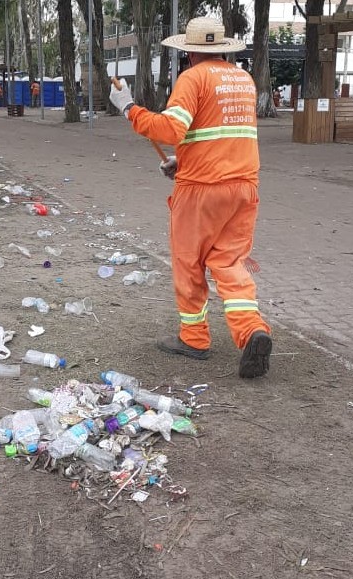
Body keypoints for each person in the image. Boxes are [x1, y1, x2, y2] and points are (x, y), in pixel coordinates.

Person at [108, 17, 272, 379]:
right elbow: (221, 136)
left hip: (201, 190)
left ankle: (194, 338)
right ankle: (252, 330)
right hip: (243, 187)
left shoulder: (193, 78)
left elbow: (171, 129)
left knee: (189, 262)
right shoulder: (243, 80)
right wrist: (182, 161)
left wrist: (129, 107)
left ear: (189, 51)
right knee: (230, 263)